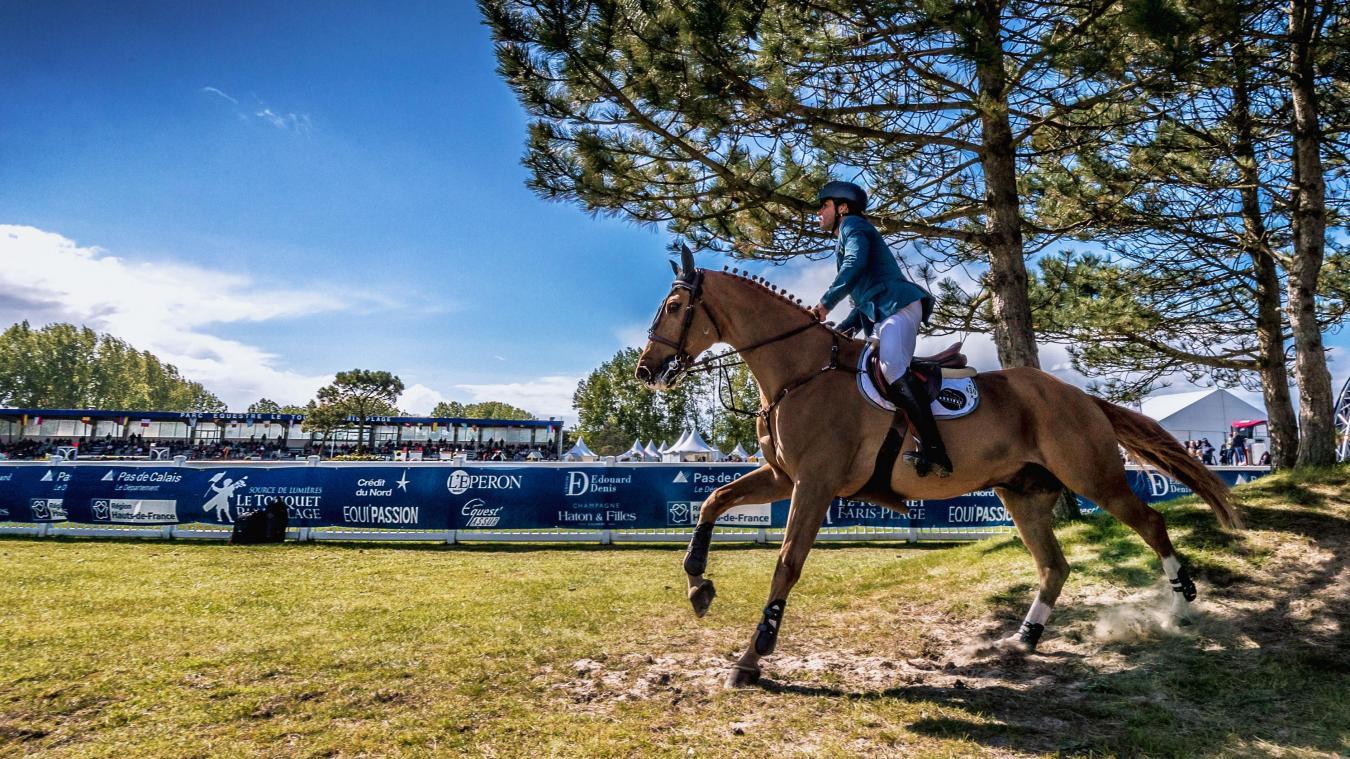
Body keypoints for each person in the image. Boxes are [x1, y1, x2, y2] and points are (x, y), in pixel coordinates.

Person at [808, 180, 946, 477]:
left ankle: (935, 451)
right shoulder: (848, 232)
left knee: (892, 368)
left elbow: (854, 266)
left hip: (899, 306)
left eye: (823, 206)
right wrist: (844, 329)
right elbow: (864, 302)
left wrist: (824, 305)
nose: (818, 212)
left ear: (842, 208)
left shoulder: (853, 226)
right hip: (883, 312)